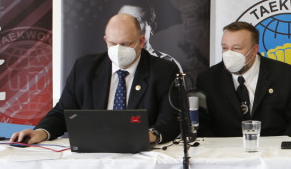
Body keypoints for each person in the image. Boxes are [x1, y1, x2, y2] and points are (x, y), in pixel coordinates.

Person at [11, 13, 179, 145]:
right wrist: (41, 132)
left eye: (126, 44)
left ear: (141, 41)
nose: (118, 50)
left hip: (140, 154)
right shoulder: (85, 68)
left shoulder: (163, 71)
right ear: (106, 40)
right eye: (113, 44)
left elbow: (171, 119)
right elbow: (63, 112)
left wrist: (150, 135)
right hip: (92, 152)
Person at [195, 21, 291, 137]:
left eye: (236, 48)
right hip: (224, 148)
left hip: (274, 147)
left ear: (254, 50)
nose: (229, 54)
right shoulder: (207, 79)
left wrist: (279, 147)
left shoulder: (286, 75)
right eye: (225, 48)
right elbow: (202, 125)